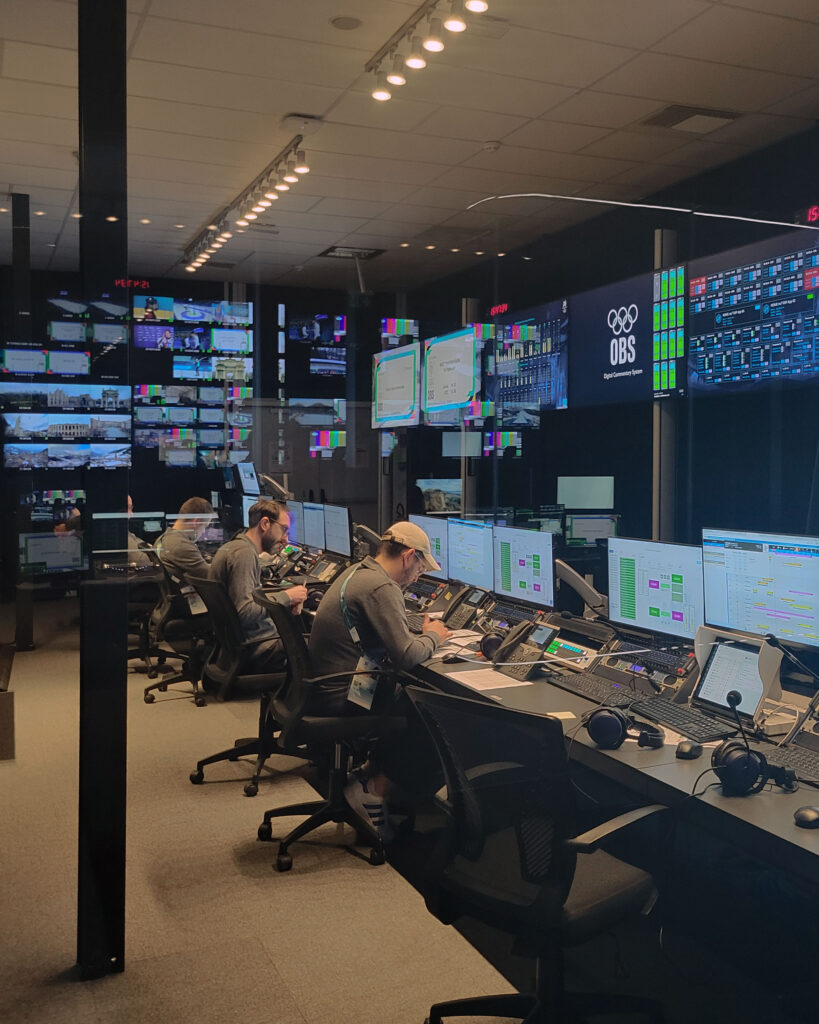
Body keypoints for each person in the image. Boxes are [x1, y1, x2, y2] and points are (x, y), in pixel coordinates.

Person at [308, 521, 451, 840]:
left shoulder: (360, 572)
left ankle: (369, 772)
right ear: (408, 556)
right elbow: (406, 655)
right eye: (420, 568)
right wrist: (434, 635)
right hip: (345, 693)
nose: (419, 576)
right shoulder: (381, 587)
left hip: (331, 684)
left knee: (409, 698)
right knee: (432, 714)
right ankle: (377, 789)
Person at [209, 498, 307, 672]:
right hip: (257, 648)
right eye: (283, 530)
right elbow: (244, 612)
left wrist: (285, 599)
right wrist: (287, 597)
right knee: (322, 646)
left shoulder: (233, 546)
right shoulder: (244, 554)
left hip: (235, 647)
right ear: (265, 523)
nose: (285, 540)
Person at [155, 497, 214, 580]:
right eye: (205, 526)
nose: (203, 531)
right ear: (196, 521)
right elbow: (212, 576)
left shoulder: (162, 539)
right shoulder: (181, 545)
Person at [126, 495, 152, 567]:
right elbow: (145, 561)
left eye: (131, 508)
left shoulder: (129, 534)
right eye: (128, 508)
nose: (132, 514)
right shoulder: (121, 537)